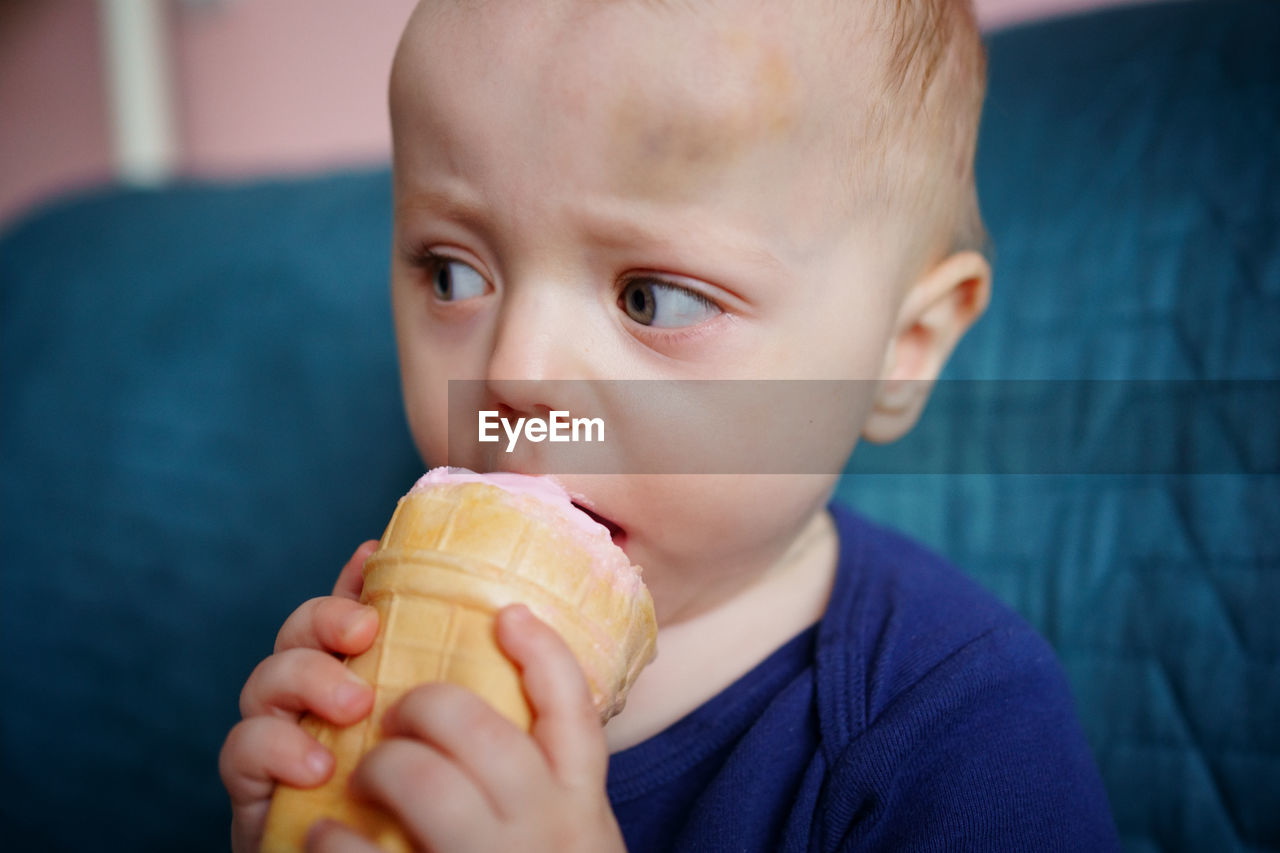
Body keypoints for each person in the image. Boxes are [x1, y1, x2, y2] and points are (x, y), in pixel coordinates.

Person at [220, 0, 1120, 849]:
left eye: (652, 297)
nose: (515, 374)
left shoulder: (962, 727)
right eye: (452, 272)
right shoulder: (372, 642)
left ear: (902, 349)